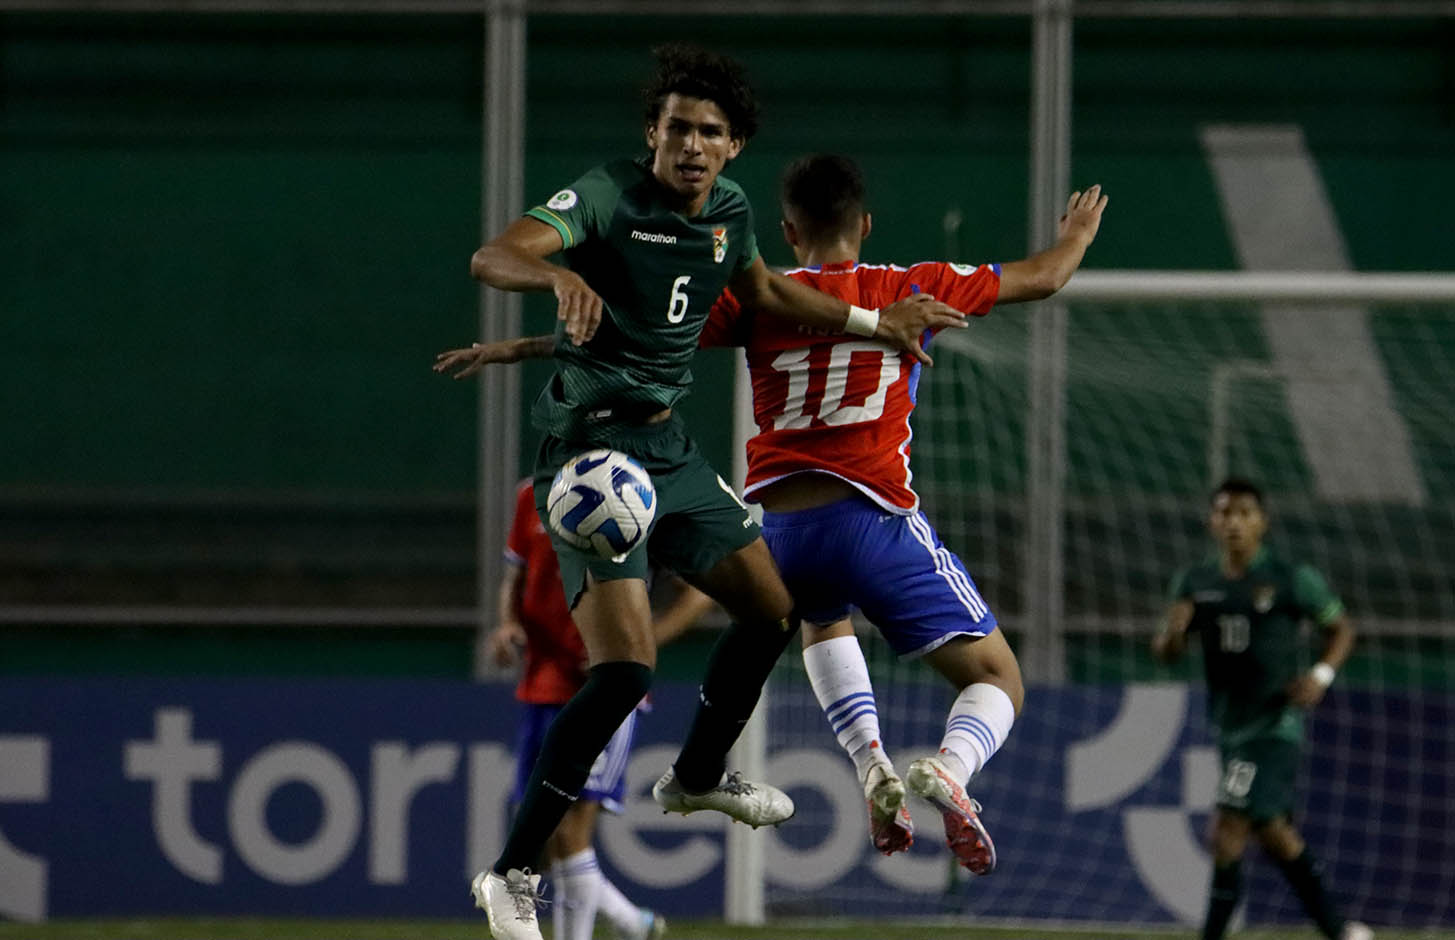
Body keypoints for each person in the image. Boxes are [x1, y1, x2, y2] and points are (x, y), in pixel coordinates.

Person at [440, 153, 1107, 875]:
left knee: (820, 617)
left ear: (788, 232)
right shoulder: (908, 288)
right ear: (867, 224)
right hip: (870, 518)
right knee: (995, 678)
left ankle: (871, 764)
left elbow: (634, 341)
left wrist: (520, 348)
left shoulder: (760, 299)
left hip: (777, 530)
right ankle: (950, 767)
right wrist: (1073, 235)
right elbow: (1043, 277)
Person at [462, 45, 965, 940]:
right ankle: (509, 873)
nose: (691, 145)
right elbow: (493, 255)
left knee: (770, 612)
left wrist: (869, 322)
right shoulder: (609, 196)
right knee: (623, 672)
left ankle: (697, 775)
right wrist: (557, 273)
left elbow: (766, 291)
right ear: (651, 133)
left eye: (711, 132)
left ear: (733, 148)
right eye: (678, 128)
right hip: (589, 457)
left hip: (669, 448)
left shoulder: (729, 212)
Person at [488, 478, 711, 940]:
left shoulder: (638, 494)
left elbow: (698, 594)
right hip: (542, 684)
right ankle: (633, 923)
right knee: (545, 844)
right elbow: (515, 575)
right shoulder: (532, 493)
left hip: (605, 691)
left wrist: (638, 645)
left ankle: (611, 928)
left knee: (569, 833)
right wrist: (508, 623)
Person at [1151, 477, 1373, 940]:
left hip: (1275, 724)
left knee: (1227, 827)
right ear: (1212, 521)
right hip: (1230, 724)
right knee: (1274, 834)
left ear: (1262, 522)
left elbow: (1341, 629)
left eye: (1244, 513)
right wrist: (1173, 634)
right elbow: (1166, 653)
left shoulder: (1292, 578)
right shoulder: (1196, 582)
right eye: (1224, 513)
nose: (1234, 522)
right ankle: (1340, 930)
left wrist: (1320, 675)